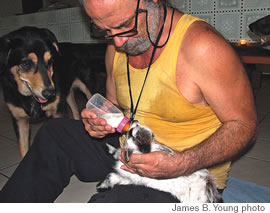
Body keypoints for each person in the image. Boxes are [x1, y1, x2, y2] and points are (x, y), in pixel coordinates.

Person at [0, 0, 257, 203]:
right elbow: (116, 107)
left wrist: (181, 163)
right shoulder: (116, 47)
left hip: (188, 173)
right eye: (105, 30)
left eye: (125, 25)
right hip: (129, 150)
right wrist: (101, 123)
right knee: (55, 133)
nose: (118, 41)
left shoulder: (203, 47)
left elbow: (243, 126)